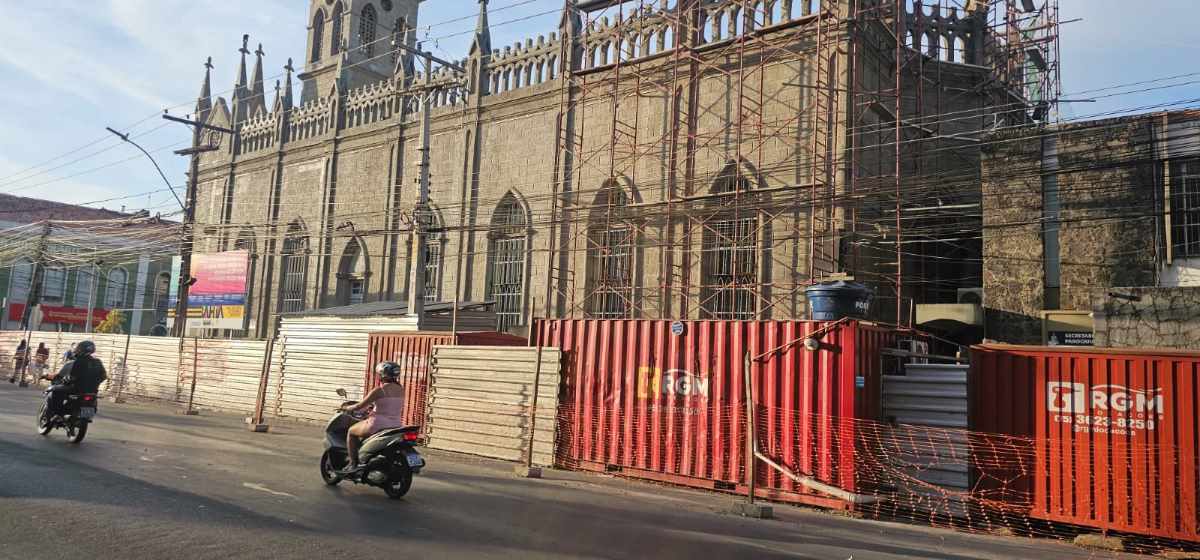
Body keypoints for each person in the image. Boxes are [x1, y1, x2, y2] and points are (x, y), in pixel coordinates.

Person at [339, 362, 406, 473]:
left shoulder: (379, 390)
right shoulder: (401, 390)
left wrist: (346, 408)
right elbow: (388, 405)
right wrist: (373, 408)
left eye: (379, 374)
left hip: (377, 425)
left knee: (351, 432)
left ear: (382, 375)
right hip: (395, 425)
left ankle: (352, 463)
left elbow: (359, 406)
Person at [43, 340, 107, 419]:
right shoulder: (98, 362)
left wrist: (66, 380)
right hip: (92, 391)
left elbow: (72, 377)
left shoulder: (79, 361)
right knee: (92, 401)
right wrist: (95, 383)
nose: (77, 351)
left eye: (79, 349)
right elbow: (104, 376)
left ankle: (55, 414)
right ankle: (86, 416)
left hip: (76, 389)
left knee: (55, 391)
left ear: (82, 350)